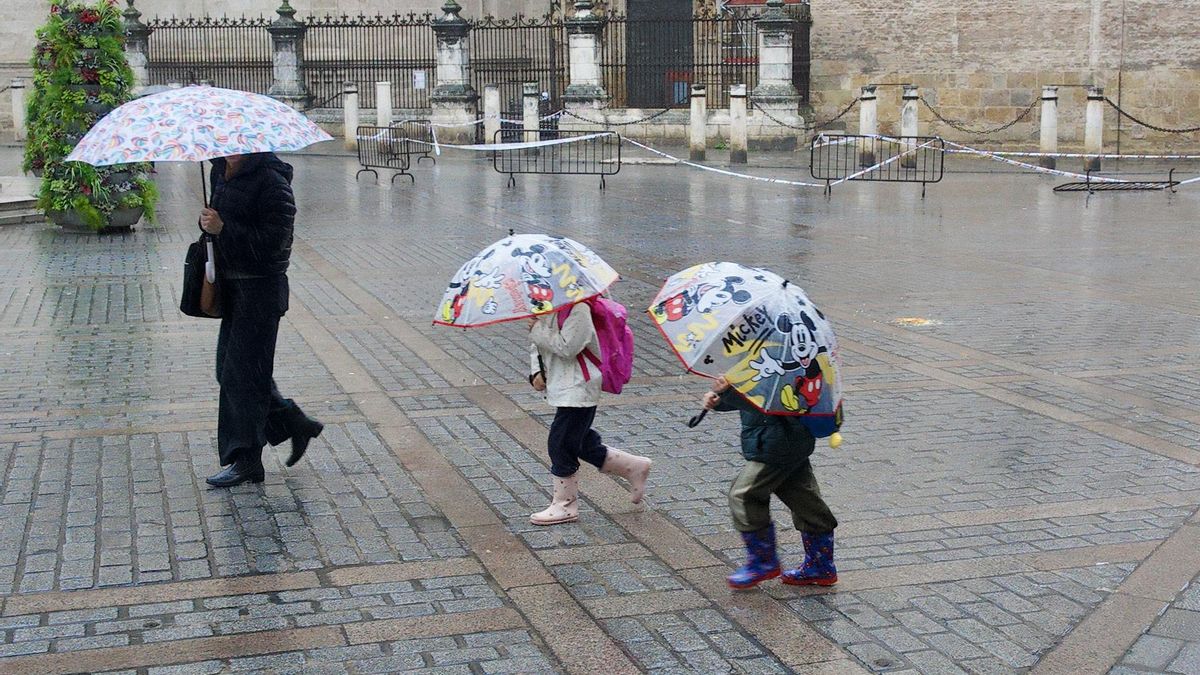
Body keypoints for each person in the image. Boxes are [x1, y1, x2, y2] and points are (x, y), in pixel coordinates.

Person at [199, 152, 323, 488]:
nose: (227, 149)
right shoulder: (220, 172)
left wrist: (225, 228)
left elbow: (275, 243)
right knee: (230, 371)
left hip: (260, 292)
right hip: (231, 289)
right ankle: (294, 422)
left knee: (241, 378)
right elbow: (219, 228)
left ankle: (247, 460)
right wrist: (208, 225)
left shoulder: (272, 181)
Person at [701, 376, 838, 589]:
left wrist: (728, 393)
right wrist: (722, 400)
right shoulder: (759, 359)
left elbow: (771, 400)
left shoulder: (786, 363)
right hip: (784, 441)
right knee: (805, 501)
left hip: (777, 443)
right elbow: (753, 398)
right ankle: (820, 566)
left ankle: (763, 562)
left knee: (744, 494)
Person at [527, 304, 652, 525]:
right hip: (561, 384)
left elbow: (568, 347)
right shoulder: (549, 305)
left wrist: (537, 329)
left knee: (561, 443)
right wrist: (536, 371)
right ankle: (633, 466)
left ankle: (565, 505)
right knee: (580, 441)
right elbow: (539, 344)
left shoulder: (580, 308)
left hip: (579, 386)